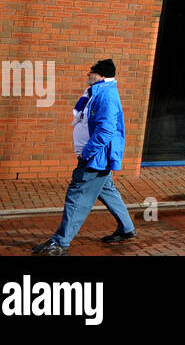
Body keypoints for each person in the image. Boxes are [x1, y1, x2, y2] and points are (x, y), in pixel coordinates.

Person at [32, 59, 136, 256]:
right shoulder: (97, 92)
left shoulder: (106, 95)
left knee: (77, 196)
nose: (88, 73)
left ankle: (60, 243)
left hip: (94, 158)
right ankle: (127, 228)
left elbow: (106, 129)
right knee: (108, 191)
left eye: (92, 71)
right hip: (96, 157)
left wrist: (88, 152)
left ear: (102, 75)